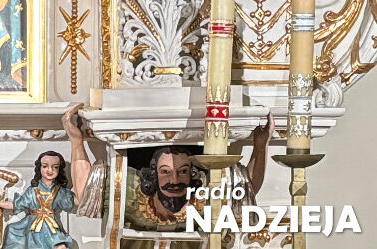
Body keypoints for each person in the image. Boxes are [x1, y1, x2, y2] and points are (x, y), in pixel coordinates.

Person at [63, 105, 274, 247]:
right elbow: (86, 193)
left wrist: (260, 146)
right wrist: (76, 142)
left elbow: (246, 188)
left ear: (192, 174)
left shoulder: (209, 191)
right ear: (153, 175)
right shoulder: (129, 190)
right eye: (165, 172)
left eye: (183, 171)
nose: (174, 180)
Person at [0, 151, 76, 249]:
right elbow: (17, 205)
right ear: (39, 168)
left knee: (59, 245)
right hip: (33, 224)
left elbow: (70, 203)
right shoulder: (32, 191)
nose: (50, 170)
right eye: (45, 166)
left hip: (51, 226)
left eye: (55, 167)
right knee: (12, 230)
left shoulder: (60, 191)